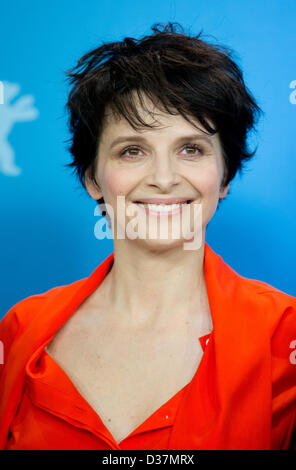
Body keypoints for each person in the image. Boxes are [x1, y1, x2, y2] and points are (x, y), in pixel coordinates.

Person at [0, 22, 295, 451]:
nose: (162, 178)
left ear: (225, 175)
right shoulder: (21, 328)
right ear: (92, 178)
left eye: (191, 149)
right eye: (132, 150)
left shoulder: (284, 335)